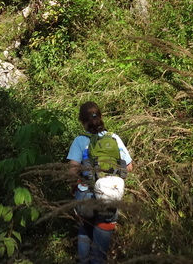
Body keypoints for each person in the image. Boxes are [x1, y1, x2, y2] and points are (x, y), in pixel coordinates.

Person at [67, 101, 133, 264]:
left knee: (84, 229)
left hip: (86, 195)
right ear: (101, 117)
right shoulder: (114, 138)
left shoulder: (80, 141)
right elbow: (130, 167)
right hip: (108, 196)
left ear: (81, 121)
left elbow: (72, 170)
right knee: (99, 254)